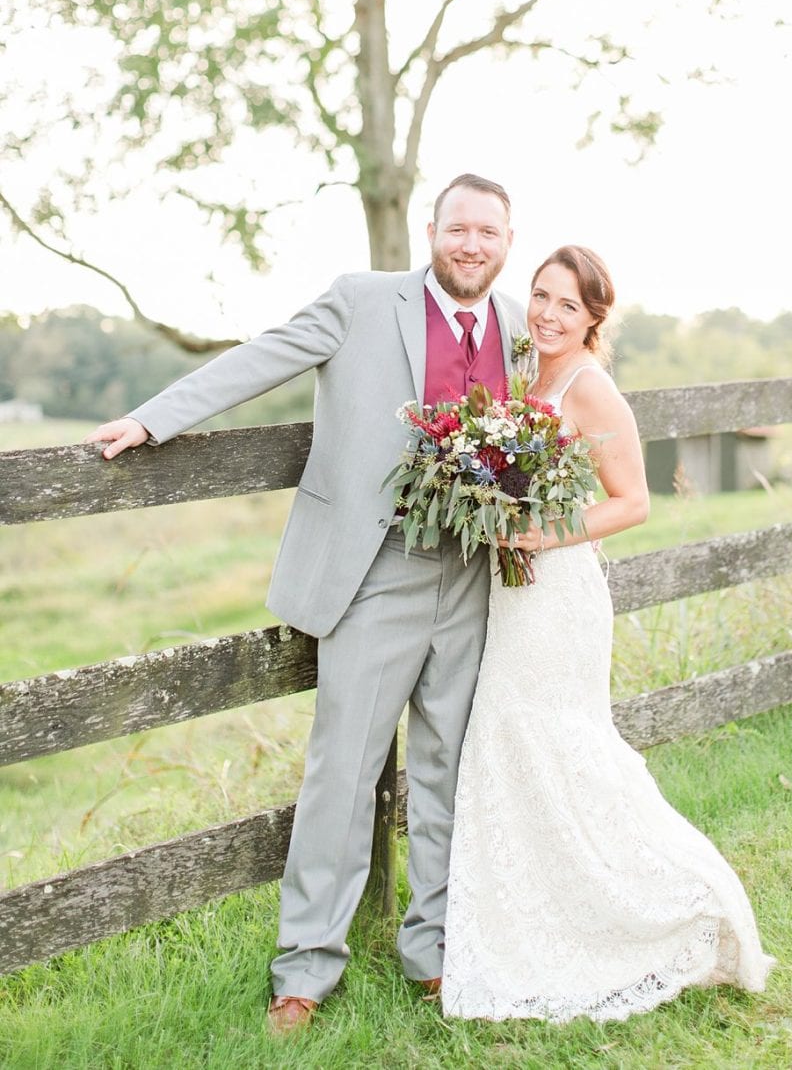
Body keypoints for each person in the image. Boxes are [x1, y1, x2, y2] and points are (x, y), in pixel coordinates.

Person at [85, 174, 525, 1034]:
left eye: (490, 233)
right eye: (460, 228)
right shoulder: (362, 302)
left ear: (509, 240)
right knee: (342, 775)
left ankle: (434, 953)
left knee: (448, 773)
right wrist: (154, 418)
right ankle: (306, 970)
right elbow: (263, 356)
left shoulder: (514, 321)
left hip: (474, 575)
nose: (473, 245)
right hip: (377, 570)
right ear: (432, 229)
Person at [439, 244, 776, 1021]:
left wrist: (538, 535)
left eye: (568, 305)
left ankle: (682, 903)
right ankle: (536, 911)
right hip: (512, 590)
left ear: (594, 317)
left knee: (565, 743)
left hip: (558, 594)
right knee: (514, 742)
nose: (549, 314)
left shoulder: (590, 388)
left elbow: (633, 503)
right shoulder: (528, 375)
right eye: (542, 297)